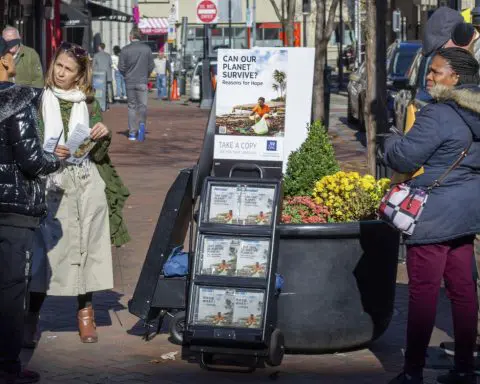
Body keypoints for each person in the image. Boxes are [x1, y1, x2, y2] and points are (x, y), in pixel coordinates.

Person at [23, 41, 130, 348]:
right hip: (51, 184)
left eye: (68, 69)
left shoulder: (89, 103)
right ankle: (32, 318)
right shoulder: (37, 100)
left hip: (85, 182)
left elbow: (96, 155)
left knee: (88, 249)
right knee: (45, 254)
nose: (60, 72)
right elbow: (27, 143)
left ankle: (86, 314)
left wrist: (103, 136)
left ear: (80, 76)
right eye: (58, 65)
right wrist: (47, 152)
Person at [386, 47, 480, 384]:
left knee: (423, 292)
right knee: (464, 291)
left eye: (436, 71)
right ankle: (466, 368)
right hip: (467, 212)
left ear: (455, 78)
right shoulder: (476, 114)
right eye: (429, 70)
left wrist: (391, 141)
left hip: (433, 215)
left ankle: (412, 372)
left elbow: (404, 159)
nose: (428, 76)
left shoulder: (437, 115)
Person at [0, 36, 60, 383]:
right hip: (12, 207)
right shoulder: (16, 100)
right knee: (10, 290)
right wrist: (56, 160)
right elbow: (32, 160)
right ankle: (7, 366)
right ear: (5, 61)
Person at [119, 27, 154, 141]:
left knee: (132, 107)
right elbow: (151, 66)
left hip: (129, 81)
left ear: (131, 36)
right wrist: (146, 74)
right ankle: (142, 126)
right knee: (142, 106)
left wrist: (126, 75)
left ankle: (132, 133)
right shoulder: (147, 49)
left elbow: (121, 67)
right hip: (142, 81)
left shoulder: (125, 50)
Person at [92, 43, 113, 107]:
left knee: (98, 87)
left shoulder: (96, 55)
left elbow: (93, 65)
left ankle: (99, 99)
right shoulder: (108, 55)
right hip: (107, 74)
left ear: (99, 47)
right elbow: (111, 64)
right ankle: (110, 99)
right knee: (109, 87)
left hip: (99, 75)